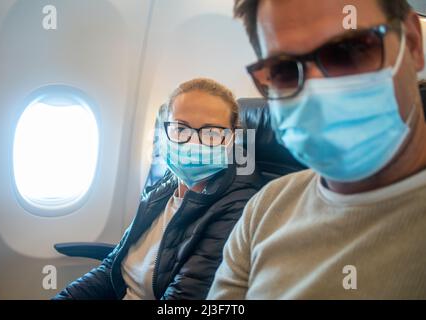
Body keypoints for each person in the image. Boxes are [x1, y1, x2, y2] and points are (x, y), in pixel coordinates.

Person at [208, 0, 426, 299]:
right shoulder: (266, 206)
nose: (316, 90)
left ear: (412, 44)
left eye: (347, 52)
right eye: (284, 69)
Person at [53, 78, 263, 300]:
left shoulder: (237, 205)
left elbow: (183, 299)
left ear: (232, 139)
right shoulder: (167, 183)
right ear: (166, 130)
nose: (194, 143)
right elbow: (111, 268)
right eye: (181, 129)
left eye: (211, 133)